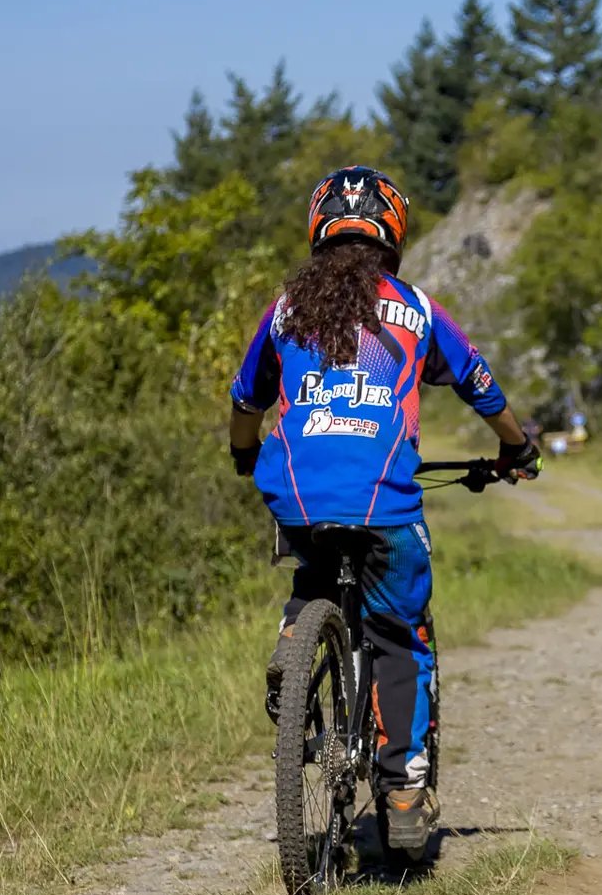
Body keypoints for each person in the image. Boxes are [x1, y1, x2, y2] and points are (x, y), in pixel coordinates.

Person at [226, 165, 542, 854]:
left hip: (298, 494)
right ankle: (402, 794)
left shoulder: (285, 310)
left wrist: (245, 455)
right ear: (392, 235)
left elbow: (247, 400)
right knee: (400, 634)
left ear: (319, 231)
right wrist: (517, 447)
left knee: (314, 560)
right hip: (383, 501)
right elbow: (480, 384)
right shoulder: (417, 309)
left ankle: (296, 632)